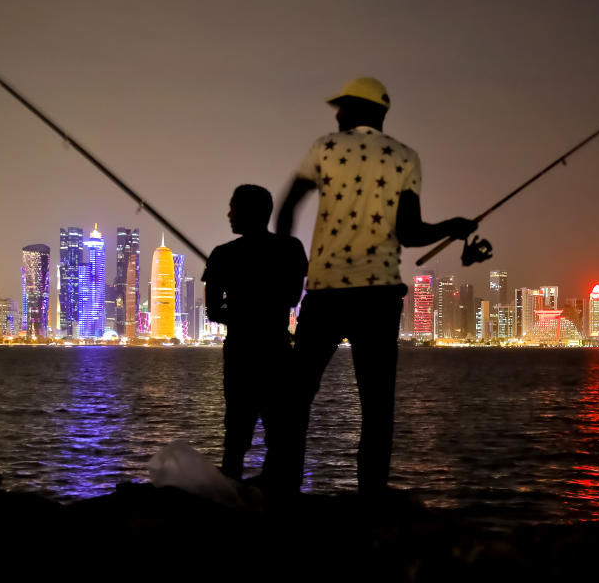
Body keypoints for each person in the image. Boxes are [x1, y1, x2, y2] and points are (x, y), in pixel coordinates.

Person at [275, 77, 487, 495]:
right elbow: (409, 233)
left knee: (295, 398)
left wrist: (291, 267)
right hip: (379, 297)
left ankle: (284, 488)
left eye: (343, 107)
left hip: (325, 292)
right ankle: (371, 495)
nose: (337, 114)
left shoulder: (325, 147)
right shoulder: (406, 157)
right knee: (377, 404)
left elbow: (288, 207)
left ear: (362, 110)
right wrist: (454, 226)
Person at [202, 184, 308, 483]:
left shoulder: (223, 255)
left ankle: (231, 494)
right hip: (276, 349)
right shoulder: (291, 249)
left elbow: (213, 312)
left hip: (241, 352)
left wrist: (238, 304)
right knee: (280, 429)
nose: (229, 214)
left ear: (247, 212)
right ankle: (278, 494)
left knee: (236, 430)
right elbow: (290, 298)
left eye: (233, 207)